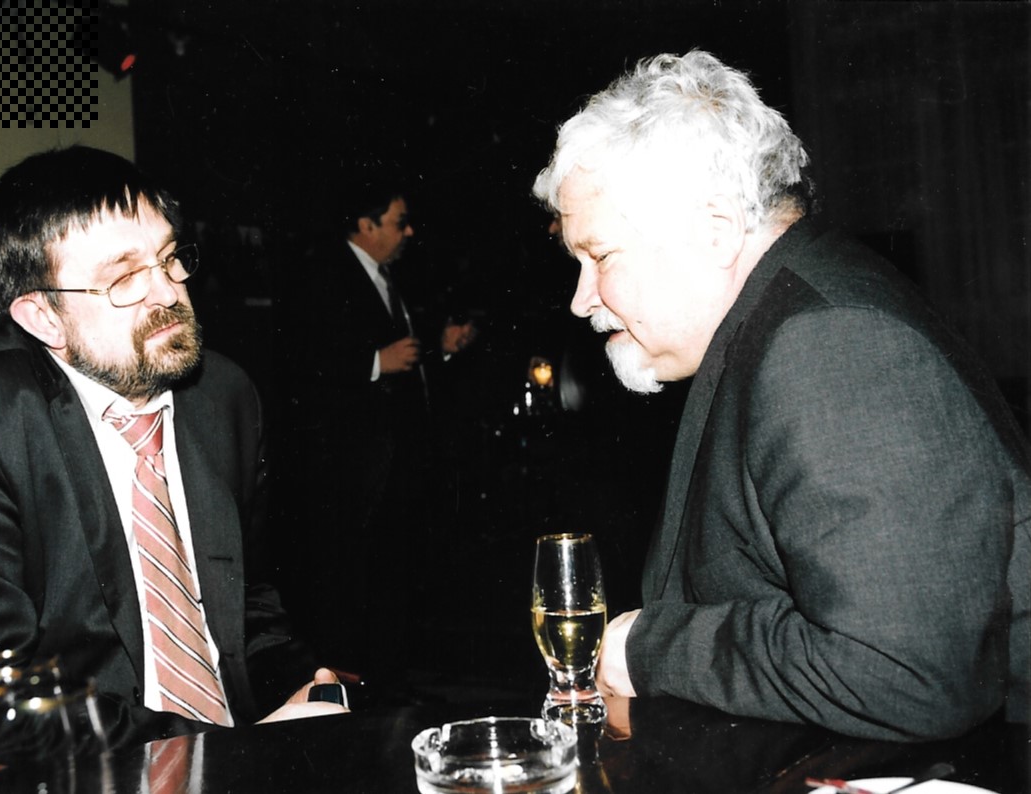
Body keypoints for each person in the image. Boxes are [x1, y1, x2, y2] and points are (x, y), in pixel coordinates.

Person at [532, 50, 1029, 740]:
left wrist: (651, 649)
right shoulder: (786, 317)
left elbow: (906, 673)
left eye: (600, 256)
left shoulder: (829, 343)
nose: (582, 299)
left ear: (713, 232)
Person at [0, 146, 346, 760]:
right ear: (43, 317)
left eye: (169, 258)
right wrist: (216, 755)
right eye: (124, 278)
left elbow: (246, 605)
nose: (167, 292)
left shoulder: (224, 395)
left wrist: (304, 695)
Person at [277, 174, 476, 682]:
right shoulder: (324, 274)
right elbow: (300, 359)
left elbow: (400, 356)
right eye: (399, 222)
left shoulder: (386, 277)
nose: (408, 233)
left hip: (393, 464)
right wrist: (371, 362)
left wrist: (439, 347)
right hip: (351, 468)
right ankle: (355, 687)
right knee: (352, 581)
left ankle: (389, 682)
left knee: (391, 578)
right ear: (366, 225)